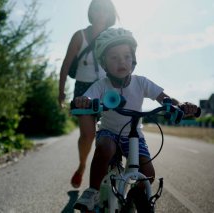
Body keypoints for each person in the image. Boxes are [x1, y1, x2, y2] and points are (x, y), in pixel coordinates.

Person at [72, 28, 199, 211]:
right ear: (104, 64)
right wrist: (83, 101)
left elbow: (166, 100)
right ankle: (93, 191)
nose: (121, 61)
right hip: (109, 132)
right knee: (105, 148)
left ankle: (136, 195)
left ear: (134, 59)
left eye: (126, 56)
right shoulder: (101, 85)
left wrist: (182, 106)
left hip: (134, 134)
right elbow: (87, 99)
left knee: (148, 174)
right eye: (113, 57)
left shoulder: (141, 82)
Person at [58, 0, 119, 188]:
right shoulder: (80, 36)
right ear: (91, 12)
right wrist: (60, 92)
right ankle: (83, 165)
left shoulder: (113, 36)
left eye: (105, 9)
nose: (101, 12)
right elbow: (66, 64)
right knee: (88, 135)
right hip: (82, 90)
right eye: (97, 8)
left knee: (111, 134)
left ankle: (110, 173)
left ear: (110, 13)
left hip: (107, 88)